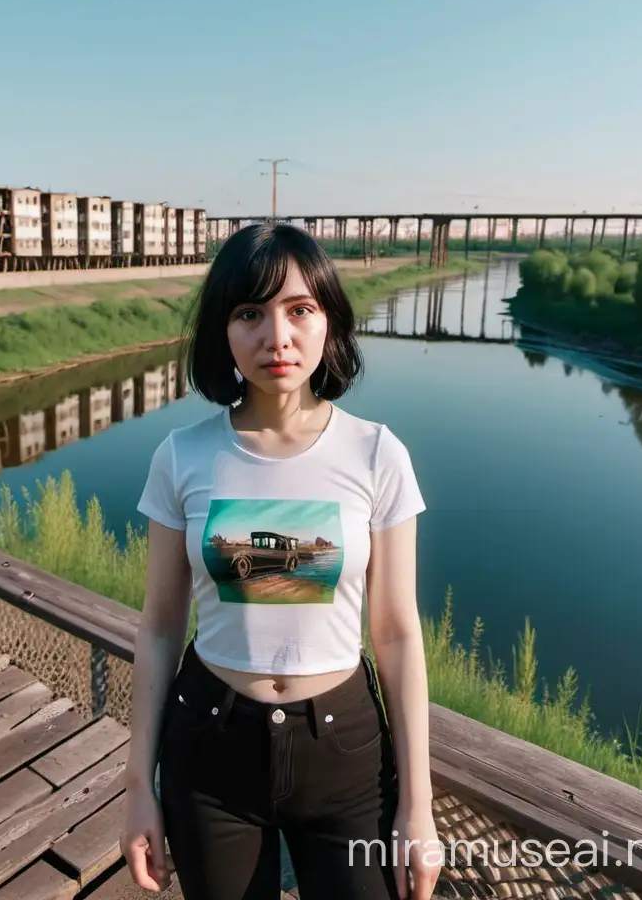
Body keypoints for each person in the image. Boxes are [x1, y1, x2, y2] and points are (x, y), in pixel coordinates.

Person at [120, 221, 442, 900]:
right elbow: (157, 629)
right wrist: (136, 791)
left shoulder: (377, 454)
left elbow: (396, 634)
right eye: (249, 314)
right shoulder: (182, 456)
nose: (277, 337)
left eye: (300, 310)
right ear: (224, 332)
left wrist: (419, 804)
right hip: (209, 748)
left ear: (329, 321)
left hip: (346, 754)